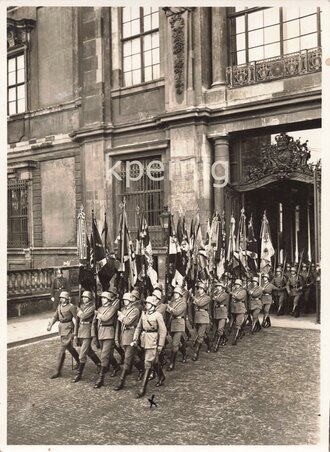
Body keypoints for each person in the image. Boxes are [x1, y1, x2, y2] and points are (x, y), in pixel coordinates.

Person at [131, 295, 167, 398]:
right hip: (144, 340)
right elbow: (138, 328)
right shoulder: (143, 314)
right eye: (146, 303)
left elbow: (163, 331)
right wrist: (135, 339)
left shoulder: (157, 315)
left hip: (153, 340)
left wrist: (160, 345)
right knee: (154, 361)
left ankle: (143, 388)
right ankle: (161, 376)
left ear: (153, 305)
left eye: (148, 303)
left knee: (147, 362)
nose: (146, 305)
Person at [114, 292, 143, 391]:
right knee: (133, 357)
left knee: (127, 359)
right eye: (124, 300)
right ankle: (142, 369)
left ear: (131, 301)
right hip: (124, 335)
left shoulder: (135, 310)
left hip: (131, 335)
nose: (125, 302)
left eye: (127, 300)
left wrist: (121, 316)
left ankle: (121, 381)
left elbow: (127, 322)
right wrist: (117, 337)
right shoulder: (123, 310)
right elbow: (119, 325)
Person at [47, 290, 79, 379]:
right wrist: (50, 325)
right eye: (61, 298)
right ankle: (79, 361)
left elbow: (77, 320)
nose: (62, 299)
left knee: (62, 350)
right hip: (61, 329)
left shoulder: (71, 307)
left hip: (68, 329)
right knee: (69, 347)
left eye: (63, 298)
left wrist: (75, 332)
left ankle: (57, 371)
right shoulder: (59, 306)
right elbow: (55, 316)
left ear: (67, 299)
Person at [93, 289, 121, 389]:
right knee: (108, 354)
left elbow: (105, 318)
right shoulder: (100, 308)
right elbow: (95, 323)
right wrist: (95, 335)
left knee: (104, 355)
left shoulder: (112, 308)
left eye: (105, 298)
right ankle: (116, 366)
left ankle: (101, 378)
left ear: (109, 299)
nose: (103, 300)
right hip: (101, 333)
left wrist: (98, 315)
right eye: (102, 298)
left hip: (109, 332)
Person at [72, 291, 101, 383]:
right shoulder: (82, 307)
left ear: (89, 298)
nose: (83, 299)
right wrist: (75, 334)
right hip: (81, 330)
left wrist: (78, 310)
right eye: (83, 297)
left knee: (82, 353)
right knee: (88, 350)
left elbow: (83, 316)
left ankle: (79, 374)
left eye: (86, 297)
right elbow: (77, 321)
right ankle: (99, 363)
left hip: (88, 331)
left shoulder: (92, 307)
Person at [166, 285, 187, 371]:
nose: (175, 294)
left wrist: (170, 309)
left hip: (179, 324)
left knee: (174, 344)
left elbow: (177, 313)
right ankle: (184, 353)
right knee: (177, 342)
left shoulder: (183, 303)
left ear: (180, 294)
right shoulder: (172, 302)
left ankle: (171, 364)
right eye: (174, 293)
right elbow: (168, 311)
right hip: (172, 323)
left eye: (177, 293)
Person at [189, 281, 211, 361]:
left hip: (203, 317)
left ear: (204, 290)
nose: (199, 290)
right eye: (199, 288)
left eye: (201, 289)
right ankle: (209, 345)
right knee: (202, 334)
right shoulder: (197, 296)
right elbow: (192, 305)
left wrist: (193, 297)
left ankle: (196, 353)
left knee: (200, 335)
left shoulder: (207, 297)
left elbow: (200, 304)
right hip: (197, 317)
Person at [211, 280, 229, 351]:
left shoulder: (224, 294)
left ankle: (216, 346)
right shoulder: (215, 293)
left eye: (219, 286)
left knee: (220, 329)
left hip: (222, 311)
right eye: (217, 286)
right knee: (218, 327)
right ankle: (225, 338)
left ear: (222, 288)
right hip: (216, 312)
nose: (218, 288)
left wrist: (214, 297)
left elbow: (219, 300)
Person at [229, 279, 247, 345]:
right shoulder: (234, 290)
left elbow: (239, 297)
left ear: (240, 285)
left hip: (240, 308)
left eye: (237, 284)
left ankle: (235, 339)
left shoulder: (243, 291)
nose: (236, 285)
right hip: (234, 308)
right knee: (235, 322)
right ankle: (241, 331)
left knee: (238, 323)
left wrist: (232, 294)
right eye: (235, 284)